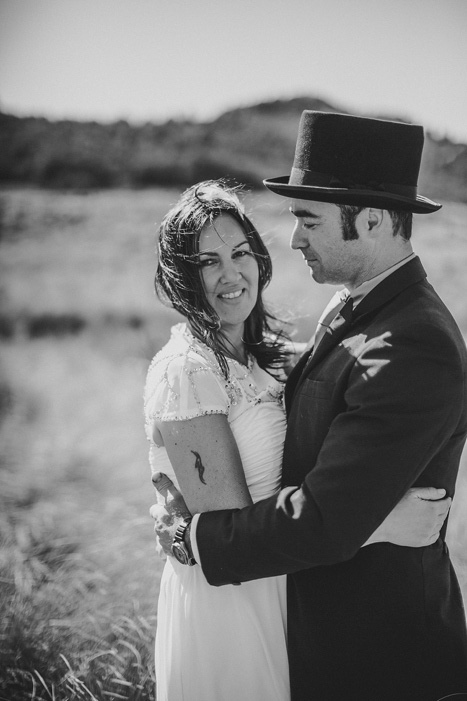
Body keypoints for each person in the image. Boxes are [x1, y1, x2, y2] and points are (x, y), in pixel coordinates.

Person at [151, 113, 467, 701]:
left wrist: (190, 539)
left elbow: (324, 521)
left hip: (380, 657)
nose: (293, 240)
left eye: (308, 220)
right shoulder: (357, 303)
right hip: (300, 625)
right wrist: (375, 519)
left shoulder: (410, 342)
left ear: (371, 219)